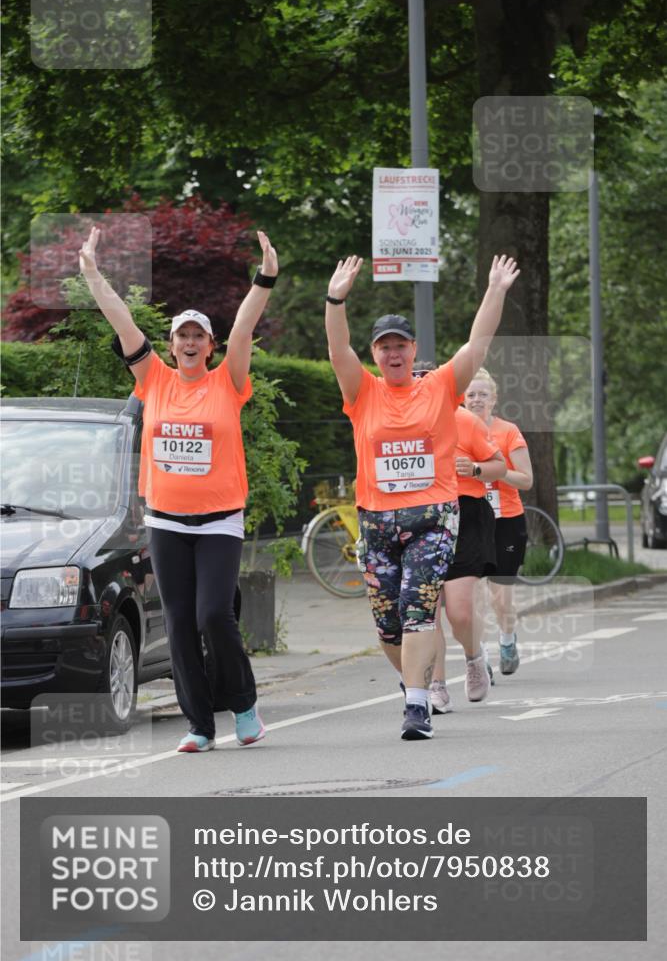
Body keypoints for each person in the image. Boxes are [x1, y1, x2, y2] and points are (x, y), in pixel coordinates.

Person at [79, 224, 278, 752]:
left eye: (198, 337)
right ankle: (199, 726)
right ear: (170, 345)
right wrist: (94, 275)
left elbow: (243, 329)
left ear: (209, 346)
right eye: (181, 336)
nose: (190, 344)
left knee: (215, 614)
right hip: (166, 520)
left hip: (219, 521)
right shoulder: (154, 380)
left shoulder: (228, 381)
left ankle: (243, 704)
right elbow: (122, 321)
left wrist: (264, 279)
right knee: (180, 625)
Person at [325, 253, 520, 740]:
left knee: (418, 608)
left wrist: (495, 288)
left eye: (401, 345)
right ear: (375, 354)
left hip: (433, 518)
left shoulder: (438, 388)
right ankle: (411, 683)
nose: (394, 353)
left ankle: (417, 705)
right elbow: (336, 349)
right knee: (388, 625)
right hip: (377, 522)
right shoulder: (362, 392)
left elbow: (479, 343)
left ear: (414, 350)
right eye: (384, 347)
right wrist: (336, 299)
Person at [430, 398, 507, 713]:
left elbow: (499, 466)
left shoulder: (465, 420)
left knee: (459, 613)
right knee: (425, 613)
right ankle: (435, 685)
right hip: (421, 518)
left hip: (465, 514)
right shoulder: (401, 423)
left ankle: (474, 656)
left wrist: (475, 469)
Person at [464, 367, 534, 675]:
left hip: (506, 520)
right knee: (469, 596)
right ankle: (478, 658)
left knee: (500, 597)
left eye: (482, 394)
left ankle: (507, 640)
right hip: (469, 520)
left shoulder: (508, 432)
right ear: (462, 399)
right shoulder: (454, 429)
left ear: (494, 399)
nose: (477, 400)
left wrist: (495, 469)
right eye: (471, 395)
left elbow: (526, 480)